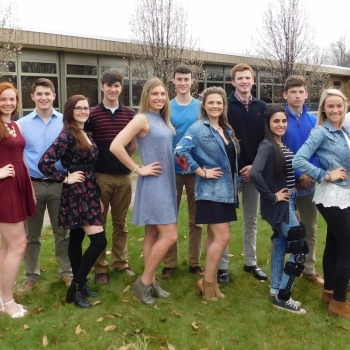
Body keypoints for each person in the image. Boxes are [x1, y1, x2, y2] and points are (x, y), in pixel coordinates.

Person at [110, 78, 178, 305]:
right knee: (170, 235)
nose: (160, 97)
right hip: (154, 182)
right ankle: (145, 282)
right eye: (155, 94)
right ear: (146, 96)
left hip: (166, 180)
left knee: (152, 234)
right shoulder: (141, 118)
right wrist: (138, 168)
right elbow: (116, 145)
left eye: (163, 94)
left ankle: (152, 281)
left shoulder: (161, 119)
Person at [38, 95, 107, 308]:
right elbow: (44, 162)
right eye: (78, 108)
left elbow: (90, 167)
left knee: (76, 238)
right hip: (77, 193)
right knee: (99, 241)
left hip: (89, 191)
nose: (83, 111)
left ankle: (80, 283)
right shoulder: (67, 135)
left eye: (86, 108)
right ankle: (75, 288)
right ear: (70, 111)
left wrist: (97, 196)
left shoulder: (84, 133)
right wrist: (64, 178)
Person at [175, 86, 239, 301]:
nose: (215, 106)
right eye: (211, 102)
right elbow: (179, 152)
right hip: (210, 192)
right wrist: (200, 171)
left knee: (214, 237)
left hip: (226, 191)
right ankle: (208, 283)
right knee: (223, 237)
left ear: (224, 106)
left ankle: (207, 283)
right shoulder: (198, 128)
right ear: (204, 105)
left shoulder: (226, 130)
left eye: (219, 103)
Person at [293, 89, 350, 320]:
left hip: (344, 194)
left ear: (345, 107)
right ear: (323, 109)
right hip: (331, 195)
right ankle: (339, 302)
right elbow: (299, 159)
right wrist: (325, 175)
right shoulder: (320, 132)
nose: (335, 110)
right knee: (348, 248)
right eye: (331, 106)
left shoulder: (343, 131)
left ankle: (328, 293)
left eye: (340, 105)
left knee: (336, 244)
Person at [17, 78, 72, 295]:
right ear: (32, 97)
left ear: (54, 96)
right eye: (39, 94)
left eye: (47, 94)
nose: (43, 98)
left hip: (60, 185)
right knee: (32, 235)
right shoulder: (21, 125)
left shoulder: (65, 122)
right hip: (33, 185)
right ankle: (31, 276)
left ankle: (66, 272)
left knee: (63, 233)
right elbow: (18, 156)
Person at [251, 105, 307, 314]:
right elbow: (255, 173)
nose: (281, 124)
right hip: (279, 204)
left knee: (282, 245)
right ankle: (284, 296)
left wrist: (292, 205)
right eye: (276, 121)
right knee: (300, 251)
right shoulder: (267, 145)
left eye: (284, 121)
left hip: (288, 203)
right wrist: (272, 196)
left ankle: (276, 290)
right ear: (268, 124)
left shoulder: (279, 144)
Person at [85, 69, 136, 285]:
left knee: (121, 223)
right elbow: (88, 144)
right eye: (109, 85)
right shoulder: (92, 114)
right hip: (100, 177)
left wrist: (124, 160)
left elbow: (133, 144)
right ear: (102, 87)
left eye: (116, 86)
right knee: (99, 223)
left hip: (124, 177)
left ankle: (120, 263)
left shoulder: (130, 114)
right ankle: (100, 269)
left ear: (120, 88)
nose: (113, 89)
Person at [221, 63, 268, 283]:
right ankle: (222, 266)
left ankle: (251, 262)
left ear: (253, 81)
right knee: (226, 220)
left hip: (254, 172)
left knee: (251, 220)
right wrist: (239, 166)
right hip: (230, 172)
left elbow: (266, 141)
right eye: (240, 78)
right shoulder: (225, 106)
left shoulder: (262, 107)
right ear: (233, 82)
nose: (244, 82)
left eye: (247, 78)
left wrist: (255, 167)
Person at [161, 64, 203, 279]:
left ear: (192, 81)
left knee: (196, 220)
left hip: (196, 171)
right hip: (173, 170)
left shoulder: (200, 107)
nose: (183, 83)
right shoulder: (166, 107)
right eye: (179, 79)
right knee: (170, 217)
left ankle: (195, 262)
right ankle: (169, 262)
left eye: (187, 79)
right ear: (174, 81)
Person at [282, 75, 323, 285]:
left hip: (310, 185)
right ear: (285, 95)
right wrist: (298, 175)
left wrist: (310, 174)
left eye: (301, 92)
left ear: (306, 94)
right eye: (293, 92)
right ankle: (280, 270)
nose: (297, 96)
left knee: (309, 228)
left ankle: (309, 269)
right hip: (286, 184)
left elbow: (318, 150)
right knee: (283, 230)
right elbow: (279, 151)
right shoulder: (279, 119)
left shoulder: (314, 121)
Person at [0, 82, 35, 318]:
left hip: (19, 185)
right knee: (18, 245)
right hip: (4, 188)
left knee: (7, 246)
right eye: (3, 99)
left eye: (12, 99)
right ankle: (7, 301)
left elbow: (20, 157)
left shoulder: (13, 125)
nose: (8, 103)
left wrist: (29, 188)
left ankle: (1, 297)